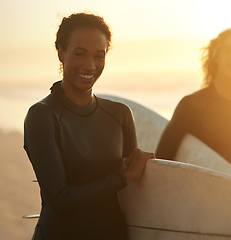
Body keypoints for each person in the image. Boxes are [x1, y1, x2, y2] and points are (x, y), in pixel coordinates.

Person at [23, 12, 154, 239]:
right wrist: (124, 178)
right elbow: (60, 200)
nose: (90, 65)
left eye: (99, 55)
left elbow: (131, 199)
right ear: (61, 53)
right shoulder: (42, 116)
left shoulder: (120, 115)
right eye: (80, 54)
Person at [155, 27, 231, 190]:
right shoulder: (191, 105)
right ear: (216, 55)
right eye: (228, 50)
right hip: (190, 200)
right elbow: (162, 164)